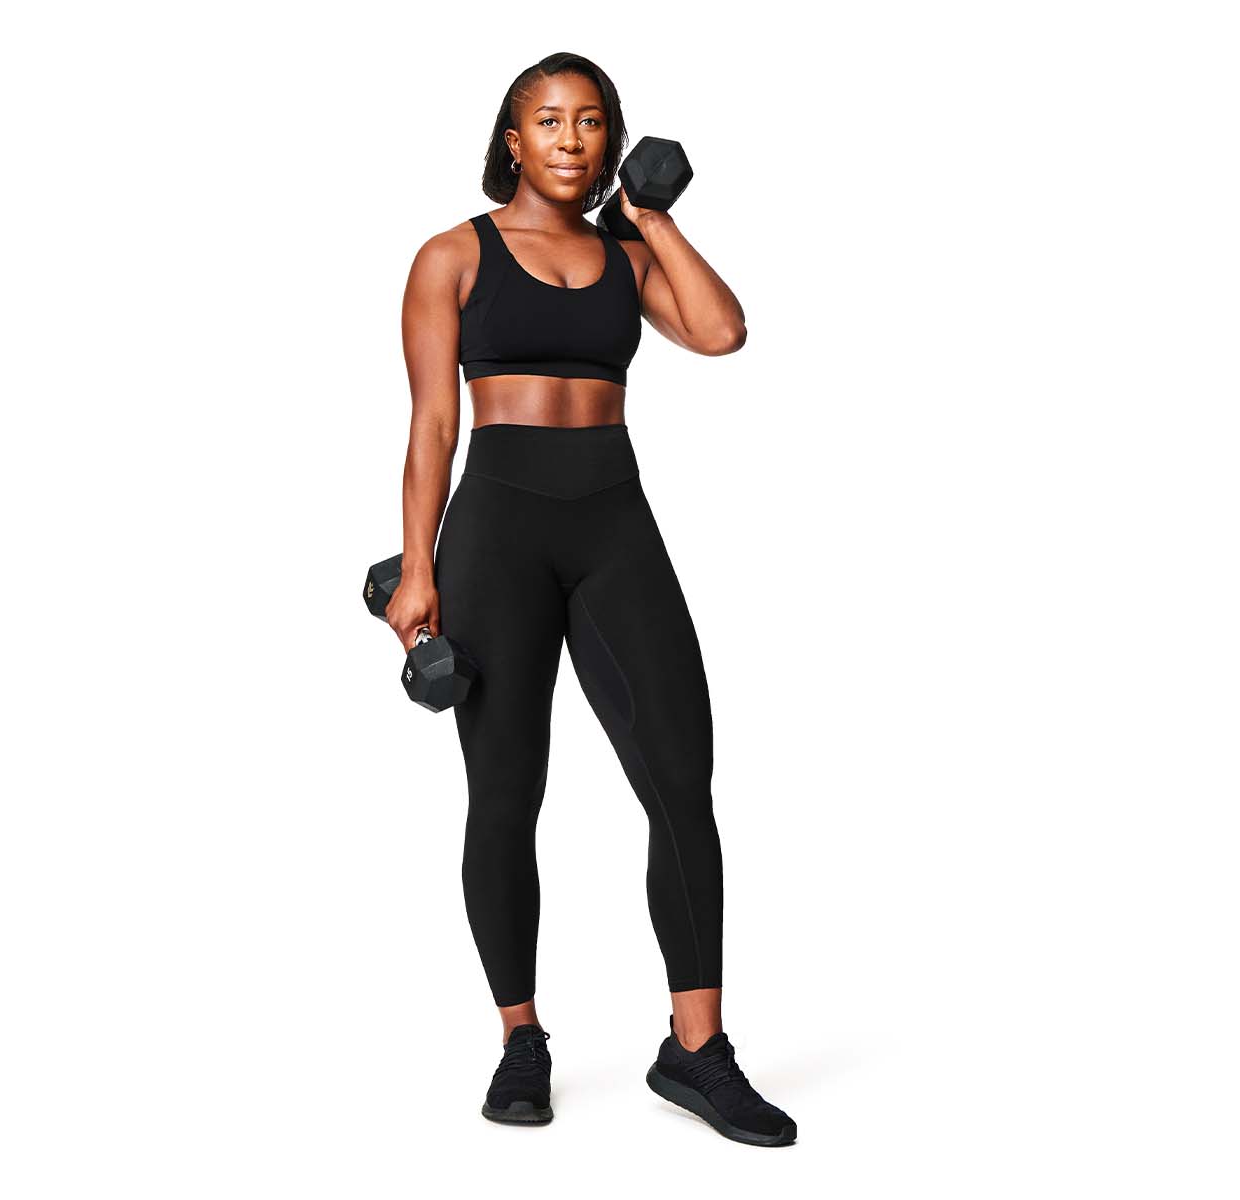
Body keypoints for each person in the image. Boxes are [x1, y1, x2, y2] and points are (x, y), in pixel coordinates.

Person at [387, 52, 796, 1148]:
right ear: (511, 139)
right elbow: (432, 424)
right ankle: (520, 1039)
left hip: (613, 521)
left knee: (680, 777)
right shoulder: (451, 256)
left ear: (611, 140)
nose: (570, 140)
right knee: (505, 791)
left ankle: (695, 1049)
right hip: (496, 530)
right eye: (548, 121)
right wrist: (417, 567)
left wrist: (650, 217)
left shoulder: (626, 254)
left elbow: (720, 331)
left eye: (591, 122)